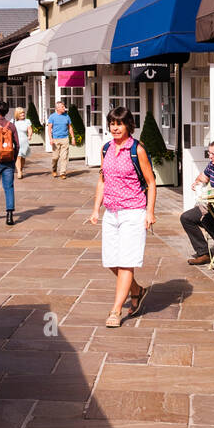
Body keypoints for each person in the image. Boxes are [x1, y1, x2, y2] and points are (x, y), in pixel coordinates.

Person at [89, 106, 156, 328]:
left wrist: (149, 212)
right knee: (111, 261)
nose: (115, 128)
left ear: (128, 125)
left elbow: (151, 182)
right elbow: (102, 180)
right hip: (111, 212)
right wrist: (96, 209)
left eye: (120, 123)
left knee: (127, 262)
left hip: (133, 212)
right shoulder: (106, 148)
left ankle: (116, 311)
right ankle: (136, 290)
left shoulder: (137, 150)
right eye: (112, 123)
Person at [47, 100, 72, 179]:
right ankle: (54, 169)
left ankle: (62, 173)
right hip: (55, 139)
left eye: (64, 106)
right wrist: (51, 139)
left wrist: (73, 137)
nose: (64, 108)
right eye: (62, 107)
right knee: (55, 157)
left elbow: (70, 127)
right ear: (57, 108)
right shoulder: (52, 117)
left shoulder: (67, 116)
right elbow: (49, 129)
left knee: (64, 157)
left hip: (65, 138)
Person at [14, 107, 32, 179]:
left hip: (24, 141)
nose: (23, 114)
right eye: (21, 113)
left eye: (23, 113)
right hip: (16, 141)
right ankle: (19, 171)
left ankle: (21, 169)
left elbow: (30, 129)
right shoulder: (13, 121)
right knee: (18, 156)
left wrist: (30, 135)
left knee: (23, 157)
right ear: (17, 114)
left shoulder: (27, 121)